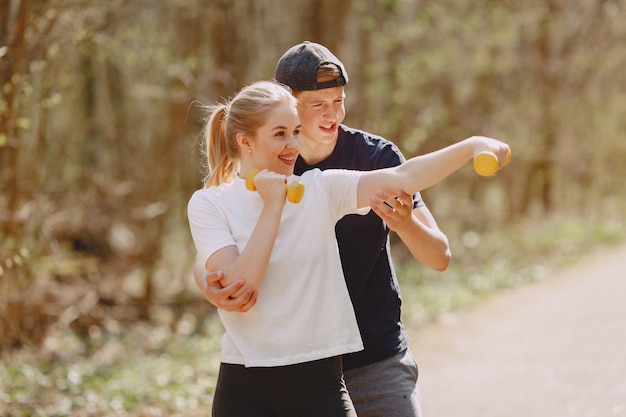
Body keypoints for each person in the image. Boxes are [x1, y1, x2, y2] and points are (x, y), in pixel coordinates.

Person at [188, 79, 510, 416]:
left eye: (296, 132)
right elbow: (243, 287)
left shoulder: (320, 189)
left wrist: (471, 145)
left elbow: (403, 176)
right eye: (280, 134)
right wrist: (272, 206)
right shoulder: (210, 204)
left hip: (320, 383)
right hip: (245, 389)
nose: (293, 145)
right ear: (245, 141)